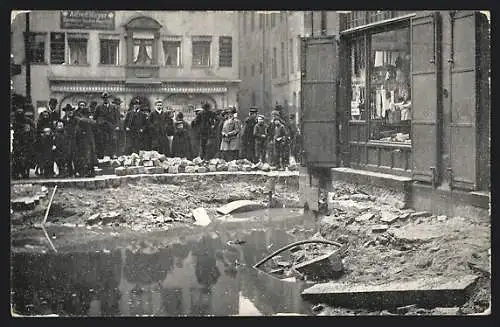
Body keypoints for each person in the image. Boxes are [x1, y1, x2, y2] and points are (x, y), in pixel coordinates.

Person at [94, 92, 120, 158]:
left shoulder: (113, 107)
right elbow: (95, 117)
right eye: (104, 98)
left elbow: (117, 117)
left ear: (109, 98)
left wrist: (116, 125)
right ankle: (102, 155)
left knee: (113, 140)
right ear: (102, 99)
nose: (105, 99)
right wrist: (99, 123)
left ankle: (113, 154)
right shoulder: (98, 107)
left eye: (107, 98)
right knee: (102, 140)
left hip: (111, 126)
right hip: (102, 126)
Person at [11, 107, 36, 179]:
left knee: (26, 159)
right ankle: (17, 173)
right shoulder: (14, 121)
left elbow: (33, 129)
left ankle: (25, 172)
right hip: (17, 142)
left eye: (21, 112)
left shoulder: (28, 121)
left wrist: (30, 134)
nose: (19, 113)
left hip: (26, 142)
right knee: (17, 158)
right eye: (18, 112)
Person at [74, 106, 97, 177]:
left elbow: (77, 131)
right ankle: (92, 172)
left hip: (83, 141)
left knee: (84, 156)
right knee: (91, 155)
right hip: (91, 140)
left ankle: (85, 172)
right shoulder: (92, 121)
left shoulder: (81, 121)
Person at [61, 103, 80, 177]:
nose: (69, 112)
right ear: (65, 112)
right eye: (67, 111)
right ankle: (69, 172)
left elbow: (77, 129)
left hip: (74, 140)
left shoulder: (76, 119)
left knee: (75, 156)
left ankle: (76, 171)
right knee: (67, 156)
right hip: (66, 140)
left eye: (70, 111)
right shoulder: (63, 119)